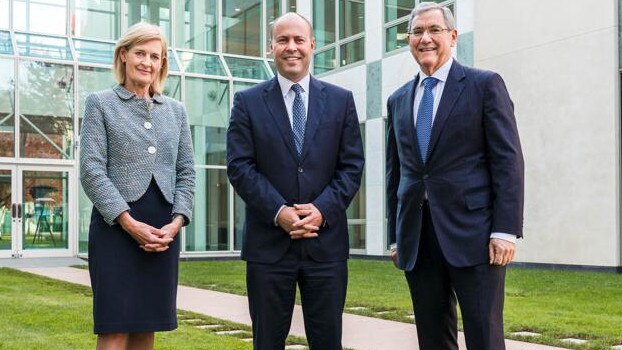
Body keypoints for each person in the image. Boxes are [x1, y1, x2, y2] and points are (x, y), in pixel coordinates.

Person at [386, 3, 524, 349]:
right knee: (432, 337)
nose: (425, 38)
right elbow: (397, 173)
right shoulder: (398, 99)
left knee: (484, 335)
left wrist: (505, 230)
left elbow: (507, 162)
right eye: (417, 32)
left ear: (453, 36)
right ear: (408, 40)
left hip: (475, 236)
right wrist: (394, 237)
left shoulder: (484, 85)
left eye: (434, 30)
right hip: (417, 238)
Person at [226, 12, 364, 350]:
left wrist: (321, 210)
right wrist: (279, 212)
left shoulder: (341, 101)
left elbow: (352, 166)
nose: (291, 47)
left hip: (325, 245)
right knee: (267, 342)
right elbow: (239, 166)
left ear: (312, 45)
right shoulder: (247, 102)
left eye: (298, 40)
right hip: (268, 247)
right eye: (283, 40)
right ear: (271, 47)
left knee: (328, 341)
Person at [80, 22, 195, 350]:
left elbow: (187, 172)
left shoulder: (176, 111)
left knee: (147, 326)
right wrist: (128, 223)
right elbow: (91, 171)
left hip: (163, 231)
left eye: (154, 56)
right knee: (114, 328)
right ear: (124, 56)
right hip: (116, 228)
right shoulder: (100, 103)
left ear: (162, 64)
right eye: (140, 53)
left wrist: (176, 223)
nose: (147, 61)